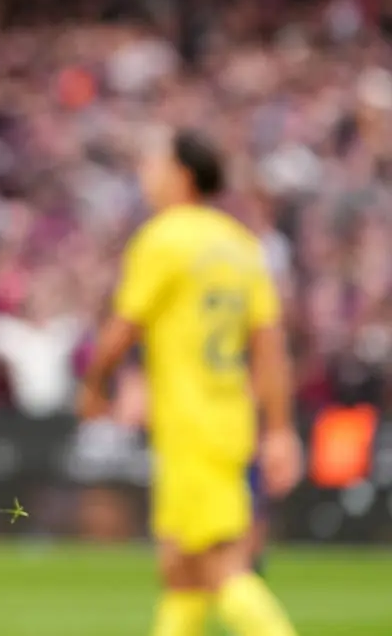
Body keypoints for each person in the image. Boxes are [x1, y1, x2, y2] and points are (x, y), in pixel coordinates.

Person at [79, 128, 302, 636]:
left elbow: (121, 330)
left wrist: (93, 386)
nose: (145, 173)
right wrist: (279, 429)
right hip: (228, 420)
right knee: (180, 570)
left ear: (181, 174)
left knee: (222, 566)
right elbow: (269, 349)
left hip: (189, 424)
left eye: (153, 163)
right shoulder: (242, 245)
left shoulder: (164, 239)